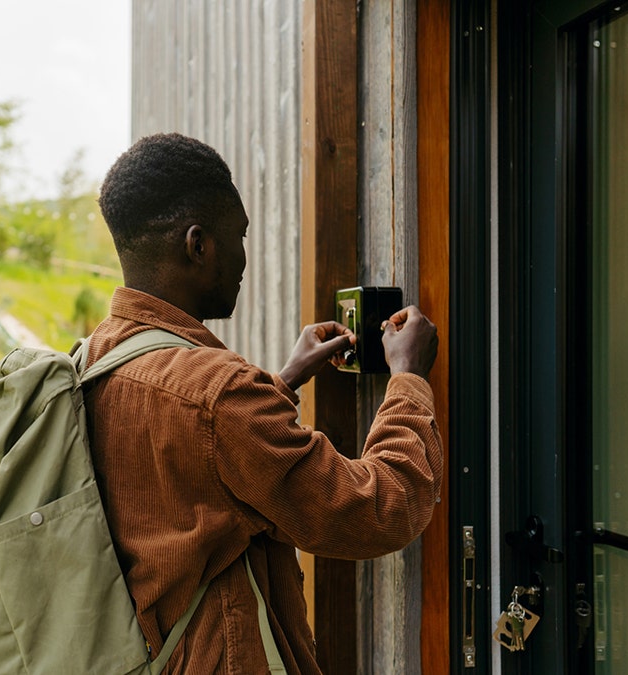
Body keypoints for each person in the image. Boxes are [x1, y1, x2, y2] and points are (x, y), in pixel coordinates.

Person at [84, 132, 443, 673]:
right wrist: (408, 379)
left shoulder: (97, 358)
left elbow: (198, 465)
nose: (244, 258)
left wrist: (283, 380)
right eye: (240, 236)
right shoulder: (218, 395)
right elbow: (377, 510)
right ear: (198, 244)